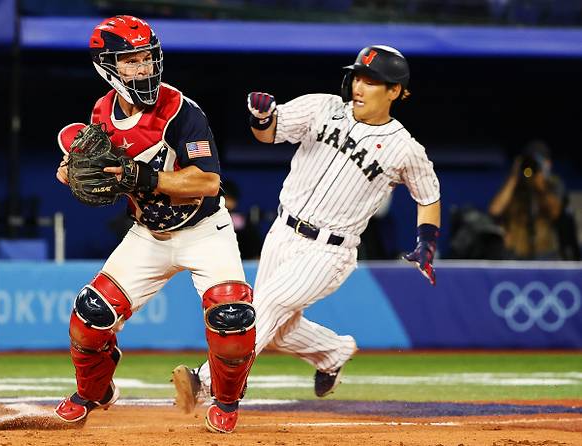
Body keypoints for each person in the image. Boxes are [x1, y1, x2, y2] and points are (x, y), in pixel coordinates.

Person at [172, 45, 441, 410]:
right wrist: (261, 116)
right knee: (278, 330)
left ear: (395, 91)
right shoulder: (323, 107)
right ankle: (333, 351)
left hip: (330, 249)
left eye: (373, 81)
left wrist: (426, 242)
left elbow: (428, 196)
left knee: (264, 305)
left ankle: (206, 384)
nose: (360, 86)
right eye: (359, 76)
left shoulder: (404, 149)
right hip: (282, 232)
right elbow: (269, 132)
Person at [53, 15, 256, 434]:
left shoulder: (182, 111)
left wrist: (141, 177)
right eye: (131, 60)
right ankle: (95, 392)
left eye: (148, 57)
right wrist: (74, 170)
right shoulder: (101, 113)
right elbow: (101, 169)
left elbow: (207, 182)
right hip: (148, 233)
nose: (144, 68)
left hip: (204, 230)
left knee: (232, 315)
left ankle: (228, 400)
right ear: (107, 66)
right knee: (89, 317)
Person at [488, 140, 569, 259]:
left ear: (548, 163)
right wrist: (514, 176)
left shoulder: (554, 184)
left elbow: (555, 214)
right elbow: (495, 210)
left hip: (545, 253)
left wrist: (541, 187)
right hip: (515, 252)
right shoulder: (514, 185)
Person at [221, 179, 263, 259]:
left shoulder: (243, 222)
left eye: (231, 199)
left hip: (243, 261)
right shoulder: (209, 218)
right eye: (225, 198)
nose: (228, 202)